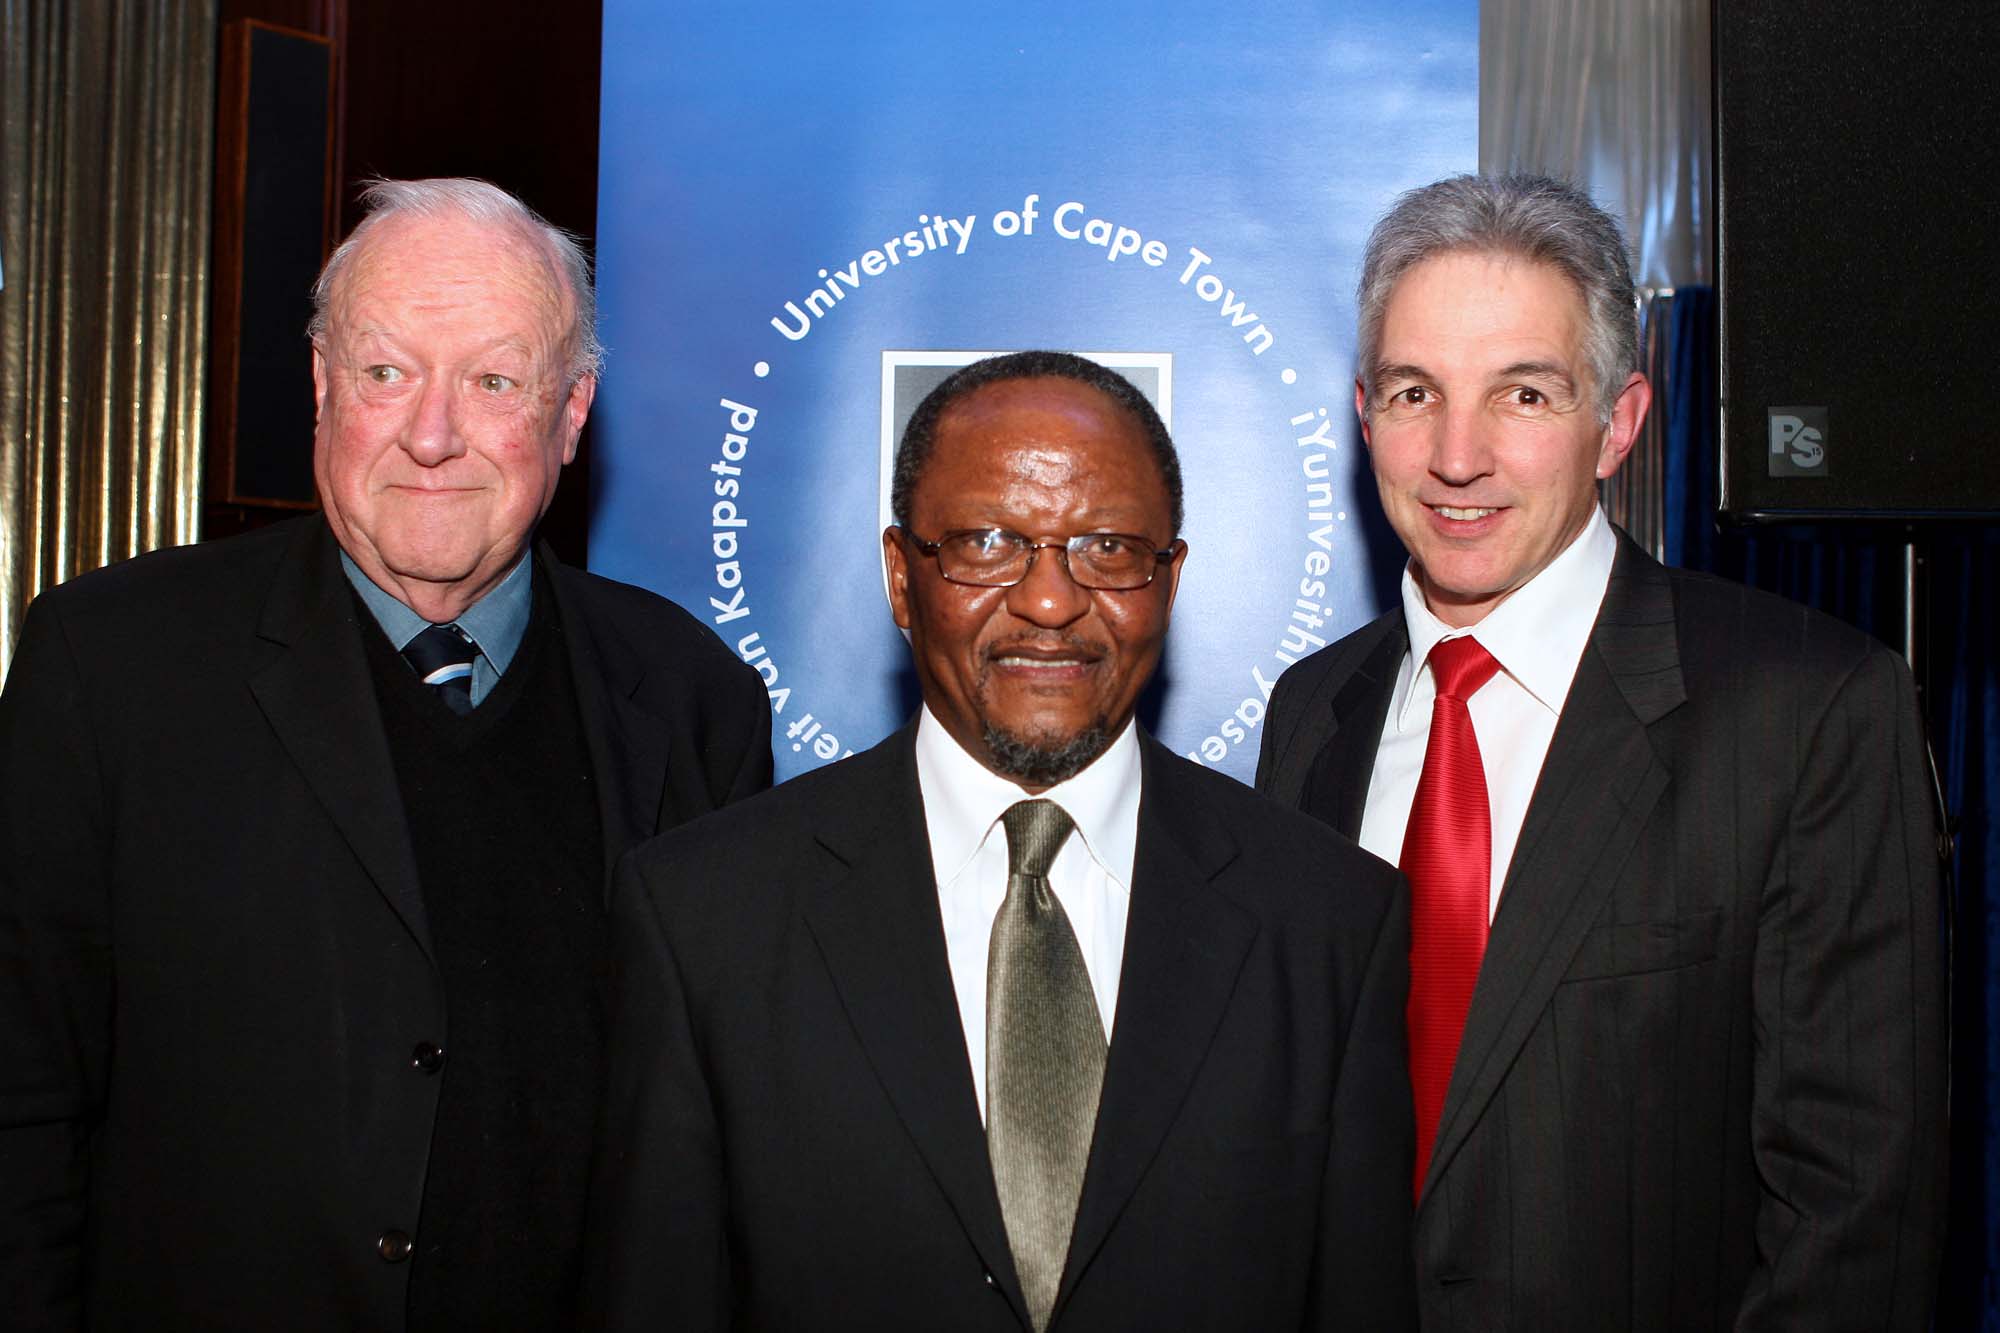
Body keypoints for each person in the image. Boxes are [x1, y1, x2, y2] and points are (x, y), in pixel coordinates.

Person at [0, 177, 773, 1330]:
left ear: (570, 413)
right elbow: (21, 1105)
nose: (430, 432)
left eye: (495, 380)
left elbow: (721, 1153)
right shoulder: (110, 664)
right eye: (385, 372)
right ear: (321, 388)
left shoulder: (692, 697)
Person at [587, 350, 1415, 1331]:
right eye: (986, 542)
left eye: (1107, 547)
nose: (1051, 601)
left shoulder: (1326, 922)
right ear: (901, 576)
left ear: (1169, 579)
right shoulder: (704, 918)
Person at [1257, 173, 1946, 1328]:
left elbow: (1854, 1221)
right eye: (1415, 392)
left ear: (1616, 423)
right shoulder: (1311, 712)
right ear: (1363, 415)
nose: (1457, 455)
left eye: (1522, 394)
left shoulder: (1810, 710)